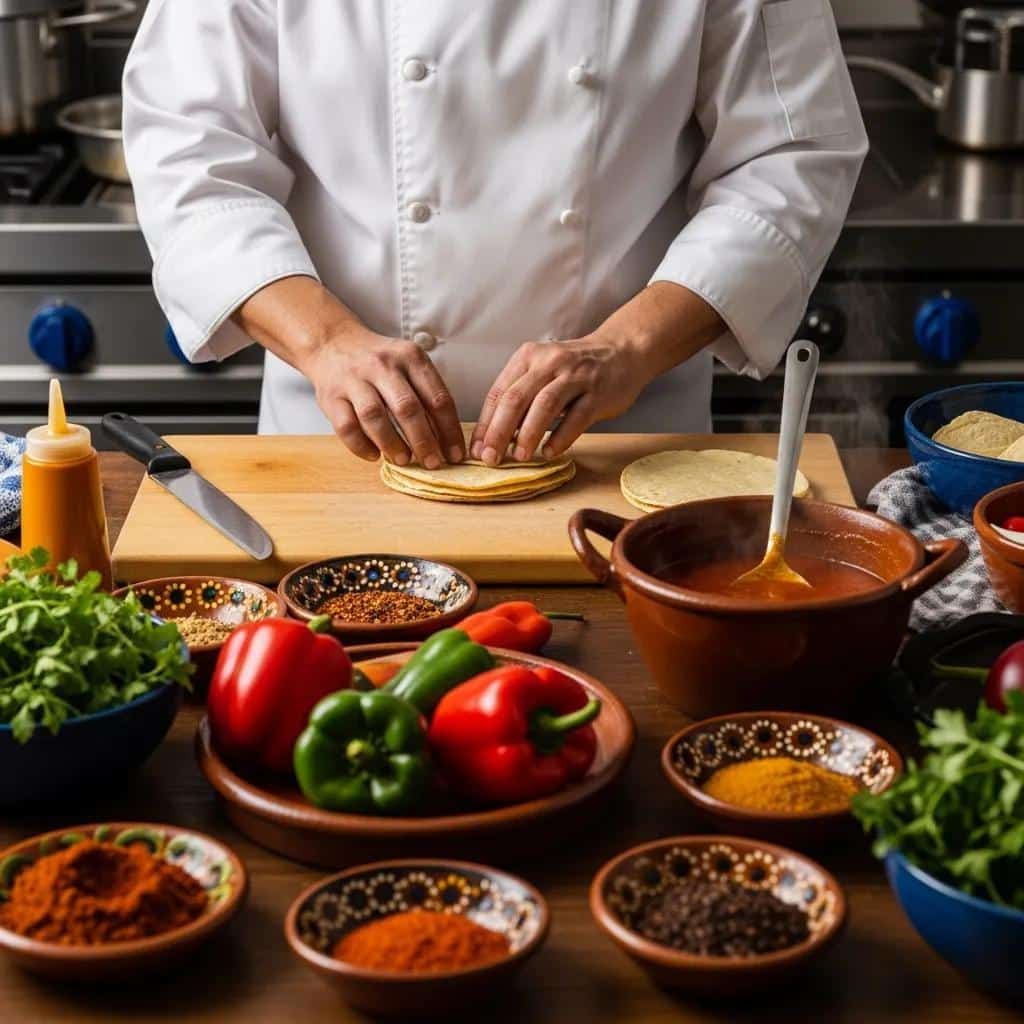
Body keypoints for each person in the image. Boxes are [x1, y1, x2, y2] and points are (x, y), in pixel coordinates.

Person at [123, 1, 866, 469]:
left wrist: (629, 347)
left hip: (623, 453)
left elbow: (792, 156)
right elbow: (189, 151)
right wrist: (325, 344)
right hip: (335, 447)